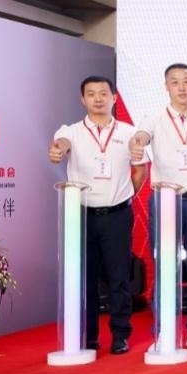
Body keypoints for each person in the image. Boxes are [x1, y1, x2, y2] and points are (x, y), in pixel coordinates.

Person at [128, 63, 187, 351]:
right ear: (166, 87)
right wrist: (138, 141)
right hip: (166, 201)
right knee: (166, 267)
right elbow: (141, 136)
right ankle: (164, 332)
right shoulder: (154, 119)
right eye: (175, 82)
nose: (181, 87)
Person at [49, 75, 147, 355]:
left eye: (103, 93)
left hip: (117, 215)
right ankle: (88, 335)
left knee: (119, 277)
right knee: (86, 279)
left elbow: (140, 170)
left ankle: (120, 335)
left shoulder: (129, 132)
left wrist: (124, 195)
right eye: (91, 94)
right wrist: (58, 149)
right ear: (83, 99)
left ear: (114, 98)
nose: (98, 99)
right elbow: (60, 144)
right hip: (81, 216)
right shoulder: (71, 131)